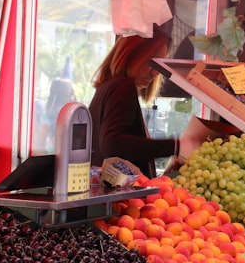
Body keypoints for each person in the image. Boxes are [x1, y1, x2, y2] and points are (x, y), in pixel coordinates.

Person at [88, 31, 213, 177]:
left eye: (160, 66)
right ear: (133, 55)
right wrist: (176, 146)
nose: (156, 72)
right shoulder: (123, 86)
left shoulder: (108, 87)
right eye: (151, 63)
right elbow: (113, 143)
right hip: (120, 195)